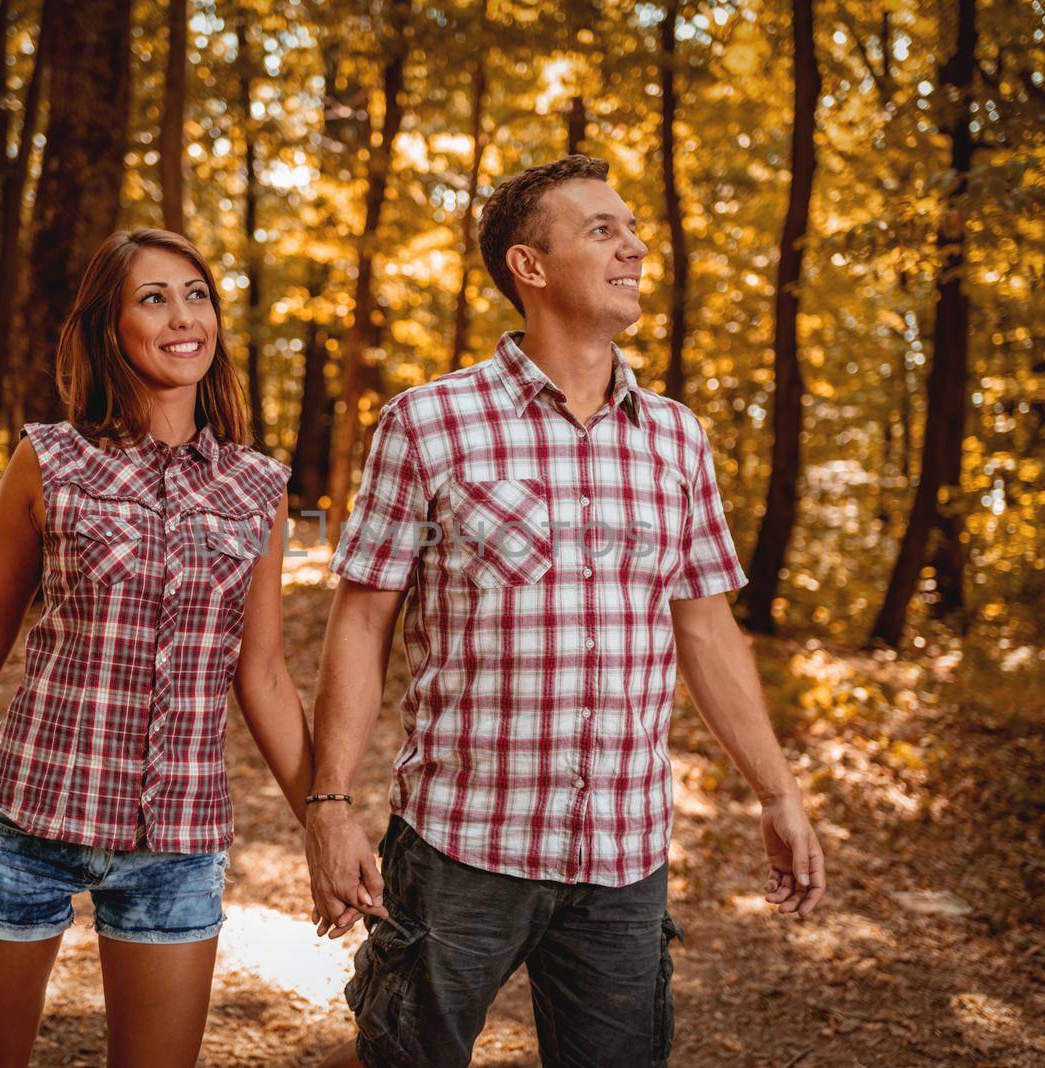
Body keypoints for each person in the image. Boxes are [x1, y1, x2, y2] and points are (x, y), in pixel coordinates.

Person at [305, 155, 828, 1067]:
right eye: (602, 230)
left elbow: (705, 627)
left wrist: (777, 793)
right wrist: (329, 805)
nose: (633, 247)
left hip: (624, 854)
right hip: (462, 839)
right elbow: (361, 622)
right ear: (529, 266)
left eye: (632, 230)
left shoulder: (676, 436)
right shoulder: (429, 423)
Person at [0, 228, 315, 1068]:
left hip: (177, 845)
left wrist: (321, 822)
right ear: (109, 327)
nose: (184, 316)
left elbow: (259, 670)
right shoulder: (50, 461)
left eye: (197, 294)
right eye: (153, 297)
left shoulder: (258, 487)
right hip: (24, 828)